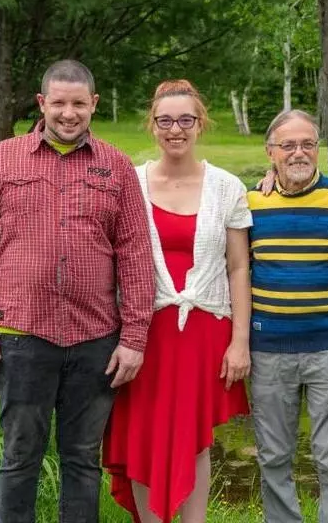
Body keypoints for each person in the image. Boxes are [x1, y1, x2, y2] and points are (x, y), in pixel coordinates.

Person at [0, 59, 154, 522]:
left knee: (82, 459)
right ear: (42, 103)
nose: (68, 113)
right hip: (21, 336)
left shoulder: (116, 167)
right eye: (59, 102)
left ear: (93, 104)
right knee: (20, 457)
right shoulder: (2, 159)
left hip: (95, 339)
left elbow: (137, 255)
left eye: (78, 103)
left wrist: (134, 337)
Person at [102, 80, 252, 522]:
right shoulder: (129, 180)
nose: (175, 129)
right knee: (142, 432)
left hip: (203, 333)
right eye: (165, 120)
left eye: (185, 120)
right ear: (153, 125)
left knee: (193, 437)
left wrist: (239, 341)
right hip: (141, 333)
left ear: (199, 123)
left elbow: (238, 267)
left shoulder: (225, 187)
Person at [247, 110, 328, 523]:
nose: (299, 153)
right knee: (274, 455)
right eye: (288, 145)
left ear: (318, 148)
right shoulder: (251, 202)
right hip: (268, 349)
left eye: (308, 144)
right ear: (271, 152)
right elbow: (238, 272)